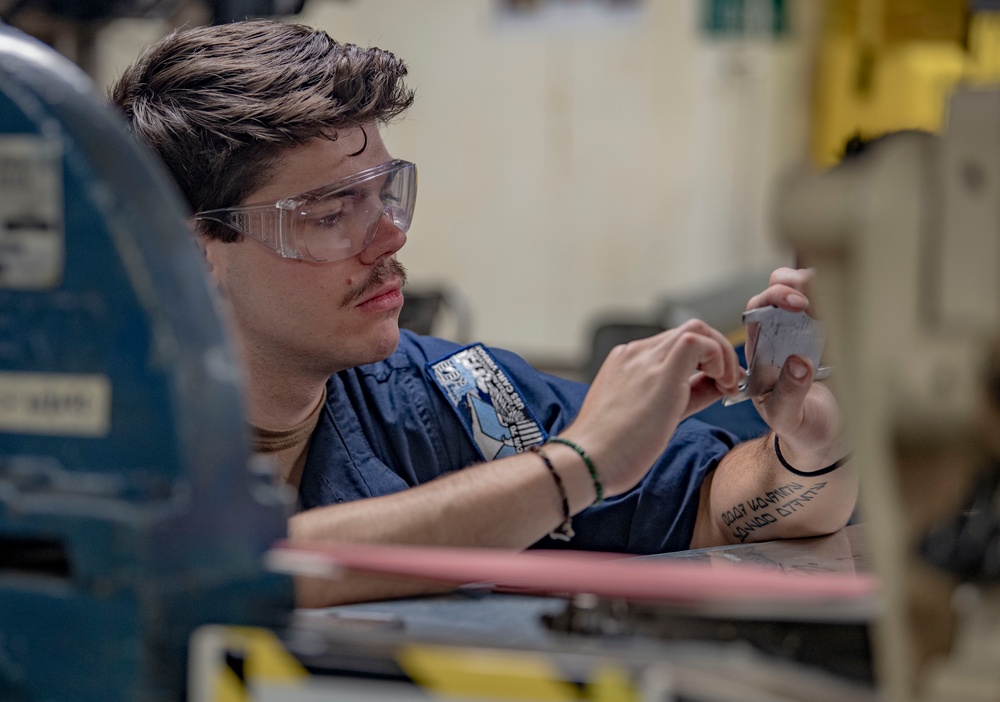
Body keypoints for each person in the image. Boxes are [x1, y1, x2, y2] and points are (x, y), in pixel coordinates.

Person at [109, 19, 857, 607]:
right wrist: (576, 467)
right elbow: (219, 573)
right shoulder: (77, 427)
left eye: (386, 193)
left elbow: (723, 510)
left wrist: (809, 447)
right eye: (334, 211)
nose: (392, 237)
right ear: (193, 253)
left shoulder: (453, 396)